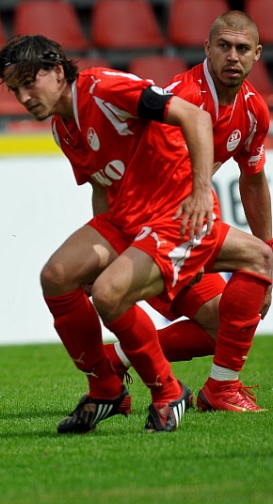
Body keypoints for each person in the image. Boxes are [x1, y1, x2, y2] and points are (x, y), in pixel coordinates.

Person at [0, 34, 272, 433]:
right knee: (56, 277)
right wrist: (99, 252)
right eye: (15, 89)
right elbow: (102, 188)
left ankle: (168, 391)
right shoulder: (62, 127)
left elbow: (196, 117)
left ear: (56, 70)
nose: (23, 97)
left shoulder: (104, 88)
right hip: (128, 220)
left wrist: (199, 192)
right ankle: (105, 386)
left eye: (29, 82)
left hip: (176, 215)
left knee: (109, 293)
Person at [103, 11, 271, 412]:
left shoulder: (253, 110)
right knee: (254, 273)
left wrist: (268, 242)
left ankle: (115, 360)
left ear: (257, 55)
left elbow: (252, 182)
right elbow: (151, 171)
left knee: (227, 325)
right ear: (207, 48)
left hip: (187, 224)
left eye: (242, 49)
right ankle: (221, 390)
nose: (233, 56)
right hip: (151, 222)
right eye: (224, 47)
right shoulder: (182, 96)